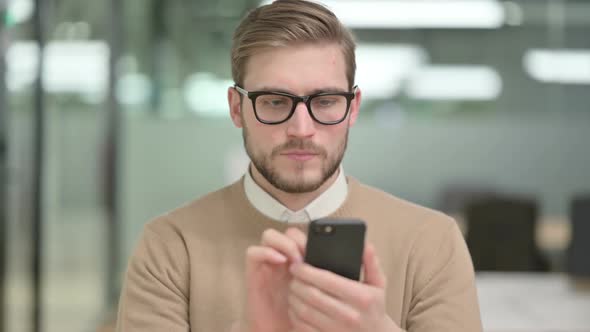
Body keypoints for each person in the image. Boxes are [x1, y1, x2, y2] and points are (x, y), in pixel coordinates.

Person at [115, 1, 483, 331]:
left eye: (324, 101)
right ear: (236, 107)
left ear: (352, 108)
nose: (302, 130)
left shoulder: (432, 243)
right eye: (275, 101)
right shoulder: (170, 247)